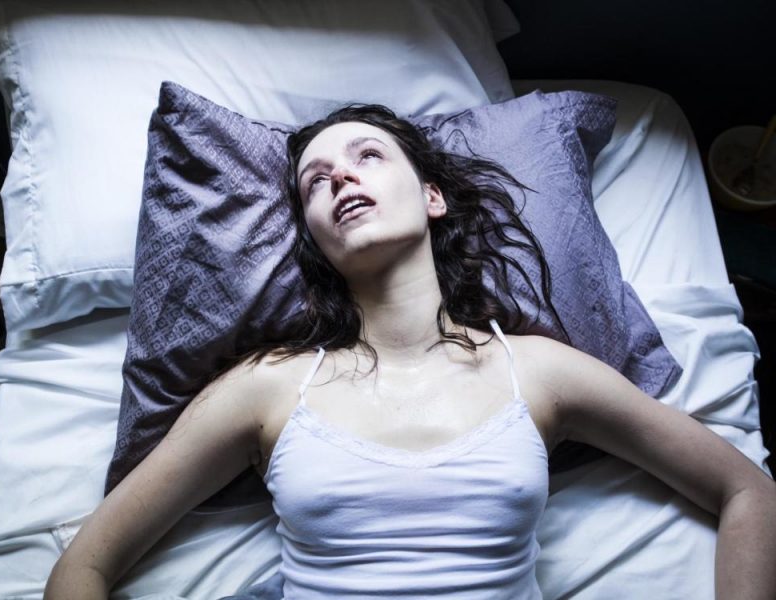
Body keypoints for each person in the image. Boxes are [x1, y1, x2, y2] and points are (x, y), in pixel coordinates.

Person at [45, 105, 776, 599]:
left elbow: (748, 491)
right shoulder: (267, 388)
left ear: (432, 198)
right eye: (315, 180)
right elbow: (86, 564)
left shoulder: (539, 371)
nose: (340, 176)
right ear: (314, 238)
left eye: (367, 156)